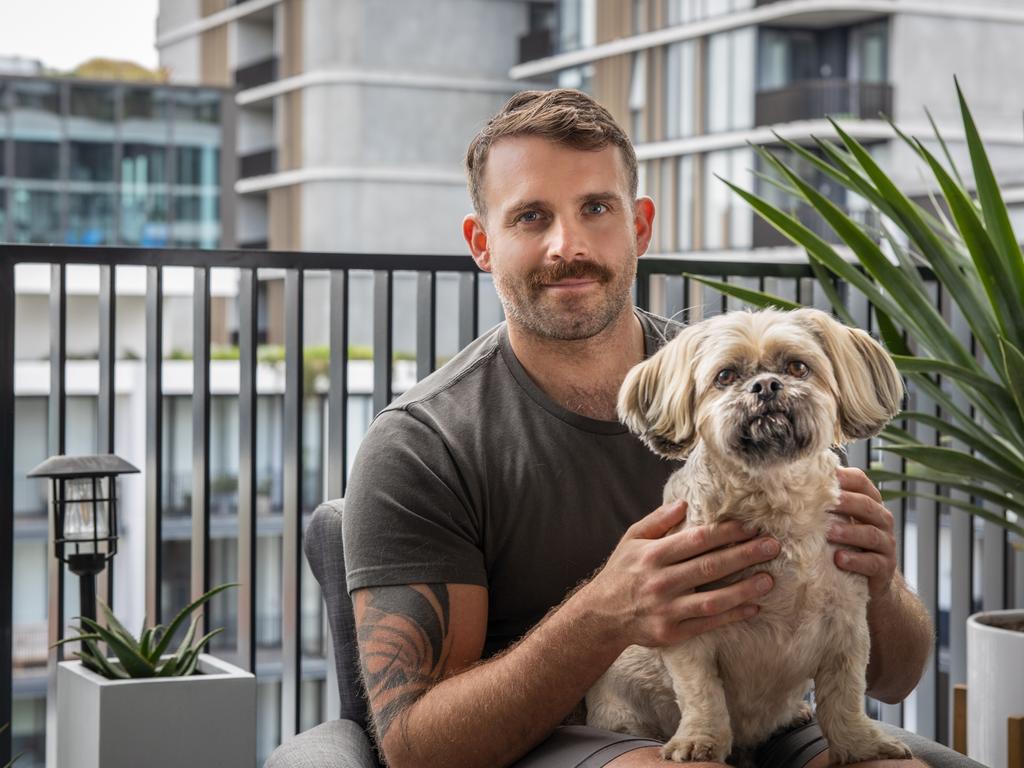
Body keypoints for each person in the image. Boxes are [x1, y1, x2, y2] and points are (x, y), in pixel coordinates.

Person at [342, 88, 934, 768]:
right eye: (531, 217)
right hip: (564, 737)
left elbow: (897, 678)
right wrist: (604, 615)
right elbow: (415, 749)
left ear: (640, 226)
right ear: (482, 243)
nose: (567, 245)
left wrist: (881, 582)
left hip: (771, 722)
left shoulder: (730, 377)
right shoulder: (422, 446)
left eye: (596, 208)